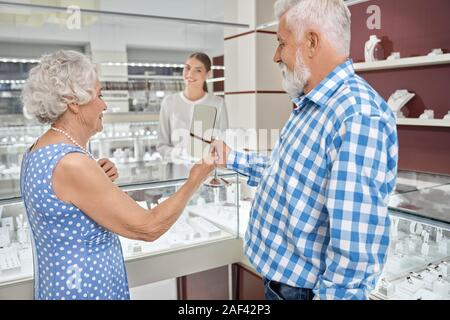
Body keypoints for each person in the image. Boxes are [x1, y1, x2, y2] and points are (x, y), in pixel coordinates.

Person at [211, 0, 398, 300]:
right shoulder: (311, 104)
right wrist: (232, 158)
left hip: (301, 292)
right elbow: (285, 172)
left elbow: (353, 250)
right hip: (281, 283)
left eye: (281, 43)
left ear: (311, 42)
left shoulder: (358, 116)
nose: (276, 55)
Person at [20, 50, 215, 300]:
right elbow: (149, 227)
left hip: (57, 285)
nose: (104, 105)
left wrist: (94, 178)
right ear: (73, 102)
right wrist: (195, 178)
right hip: (86, 291)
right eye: (99, 95)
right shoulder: (72, 164)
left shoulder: (38, 150)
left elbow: (62, 201)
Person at [157, 52, 228, 161]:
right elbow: (161, 147)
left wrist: (212, 152)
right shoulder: (169, 102)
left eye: (198, 70)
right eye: (187, 68)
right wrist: (183, 153)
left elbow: (224, 144)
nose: (190, 74)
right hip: (176, 175)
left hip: (206, 173)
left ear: (208, 74)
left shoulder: (218, 103)